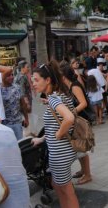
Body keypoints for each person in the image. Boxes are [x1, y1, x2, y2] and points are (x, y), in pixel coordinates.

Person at [31, 62, 80, 207]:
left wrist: (58, 134)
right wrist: (42, 138)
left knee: (66, 190)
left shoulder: (53, 99)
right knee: (58, 185)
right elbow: (57, 123)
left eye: (36, 80)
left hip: (60, 153)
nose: (33, 83)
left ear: (48, 80)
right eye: (33, 80)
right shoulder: (58, 96)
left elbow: (69, 119)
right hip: (64, 151)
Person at [59, 64, 93, 186]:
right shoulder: (69, 86)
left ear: (63, 76)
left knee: (81, 148)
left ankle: (88, 174)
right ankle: (84, 170)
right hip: (76, 120)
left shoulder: (74, 86)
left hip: (81, 121)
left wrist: (71, 112)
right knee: (78, 147)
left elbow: (83, 103)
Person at [1, 72, 29, 140]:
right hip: (4, 124)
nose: (11, 77)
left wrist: (26, 119)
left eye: (12, 75)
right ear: (2, 77)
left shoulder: (17, 88)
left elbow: (23, 104)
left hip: (17, 122)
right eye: (8, 75)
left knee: (19, 144)